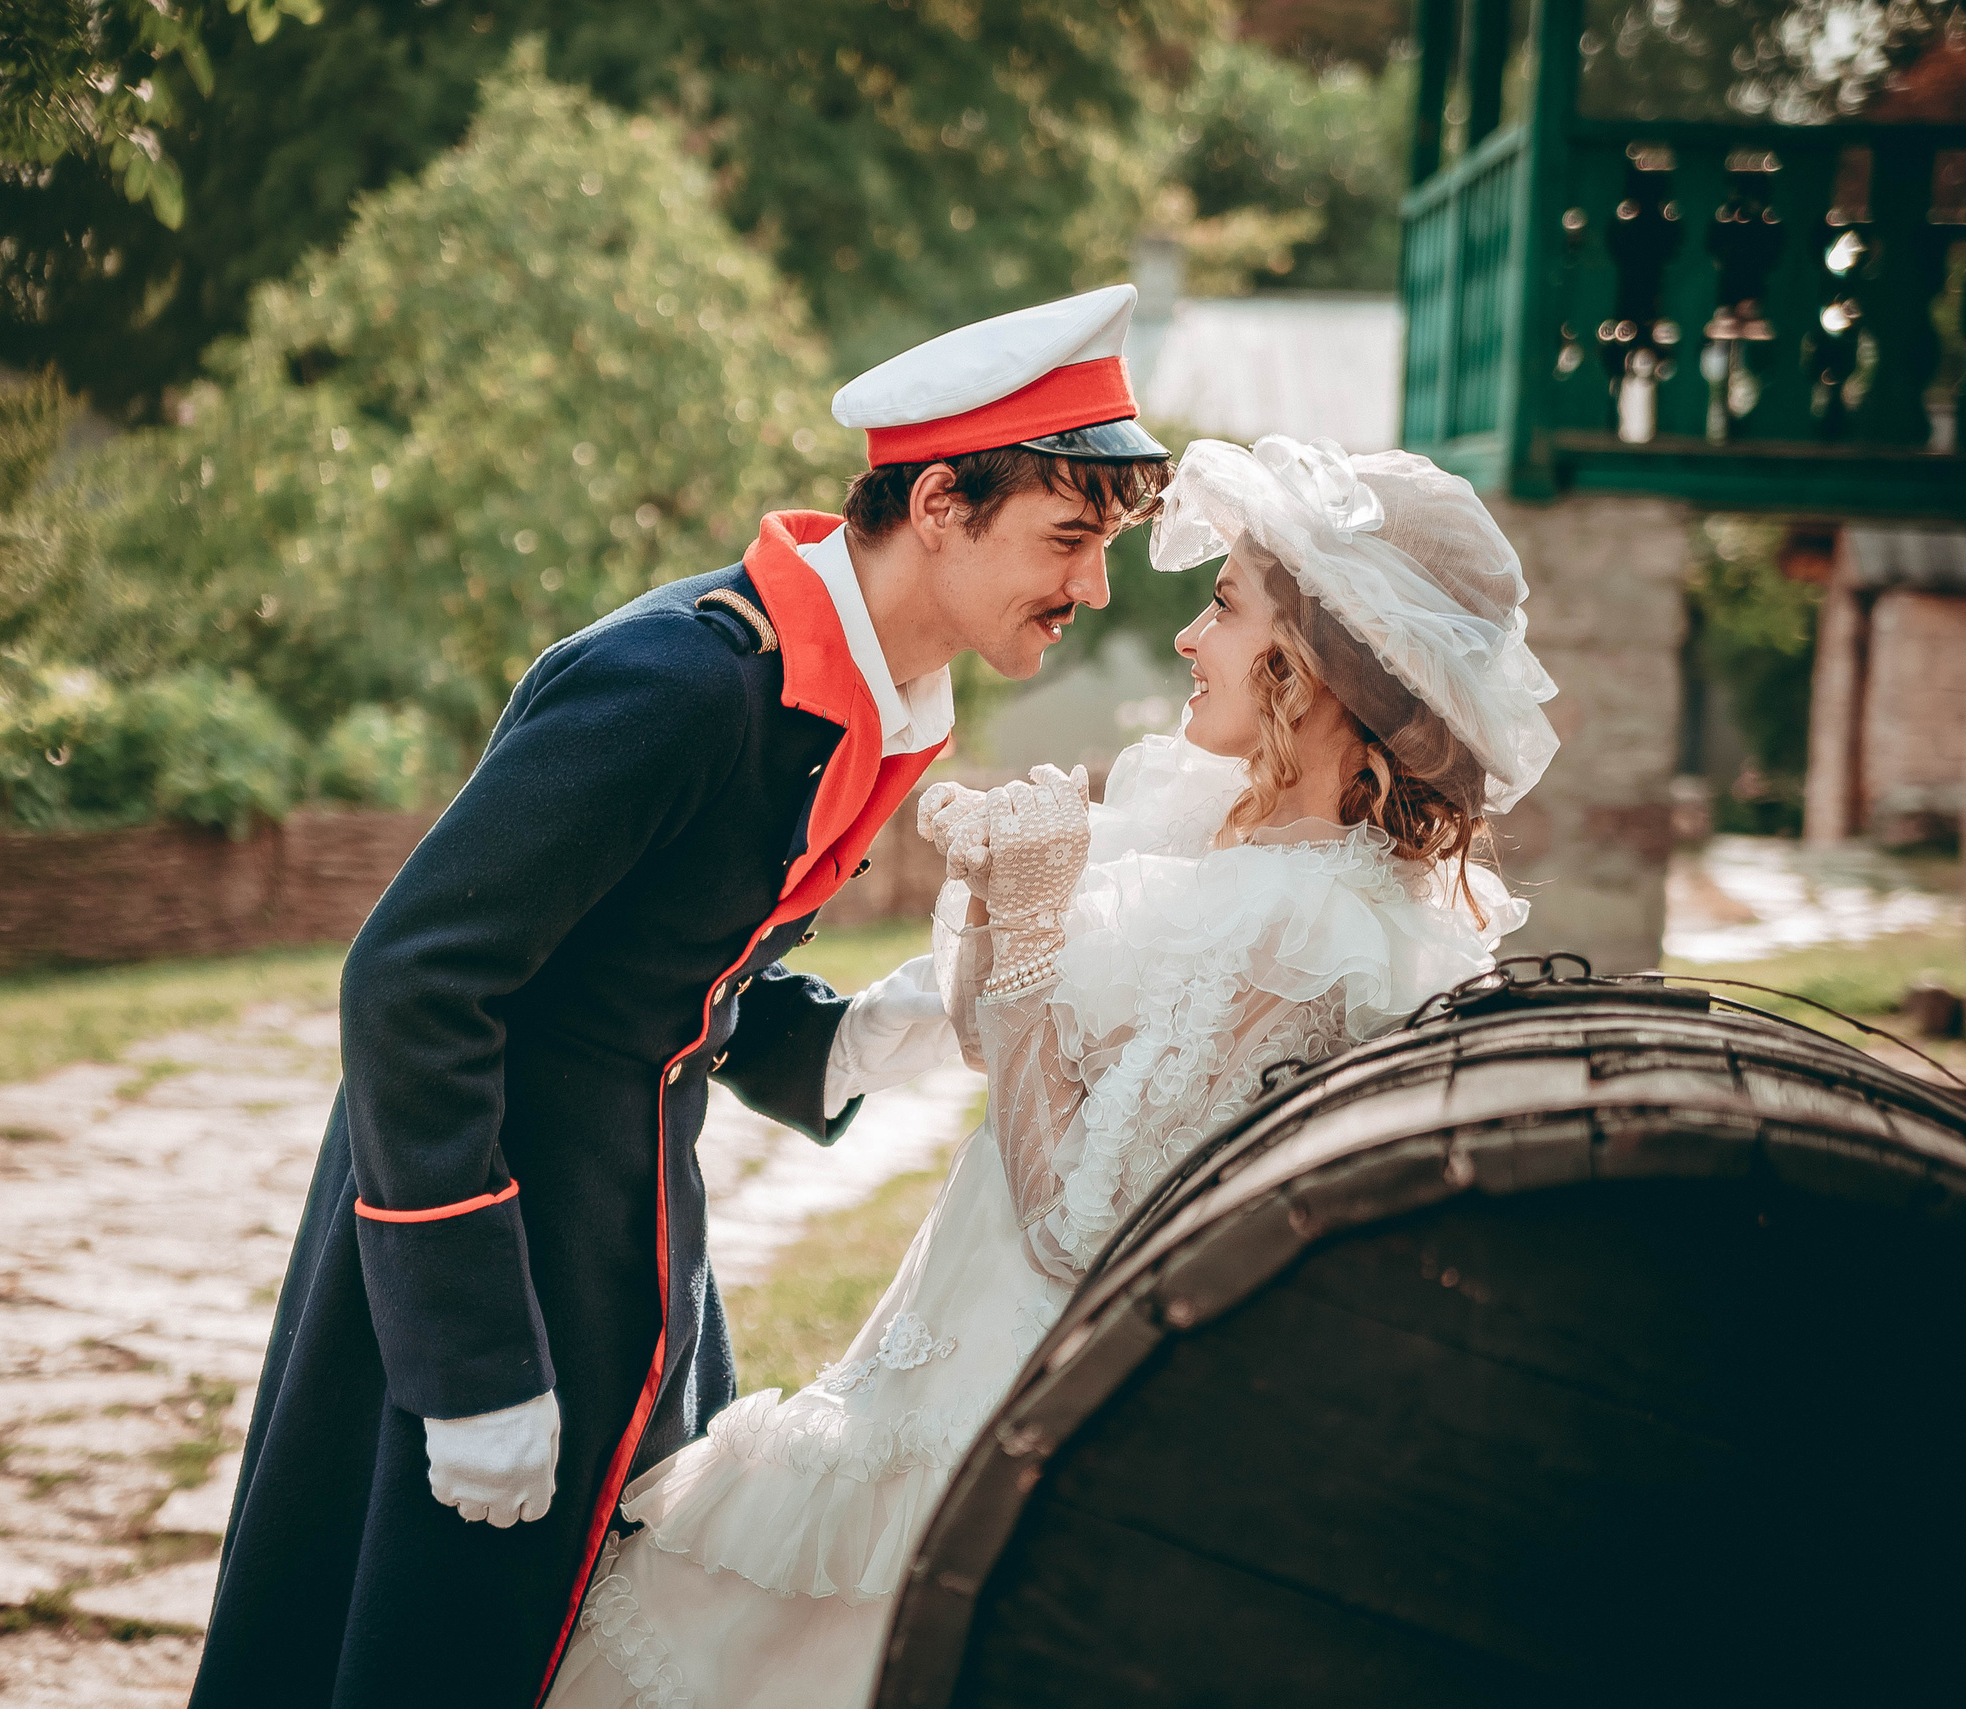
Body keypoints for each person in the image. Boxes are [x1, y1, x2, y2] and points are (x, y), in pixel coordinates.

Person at [189, 286, 1174, 1708]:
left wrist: (842, 1038)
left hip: (627, 1249)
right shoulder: (686, 680)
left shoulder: (848, 687)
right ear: (941, 502)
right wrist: (468, 1356)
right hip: (491, 1247)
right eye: (1069, 537)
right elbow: (414, 982)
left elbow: (648, 964)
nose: (1093, 588)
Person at [539, 434, 1562, 1709]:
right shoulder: (1225, 833)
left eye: (1223, 605)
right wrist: (998, 900)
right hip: (944, 1352)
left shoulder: (1308, 926)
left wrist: (1028, 922)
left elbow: (1082, 1222)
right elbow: (1027, 1047)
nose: (1187, 636)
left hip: (1013, 1407)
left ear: (1309, 665)